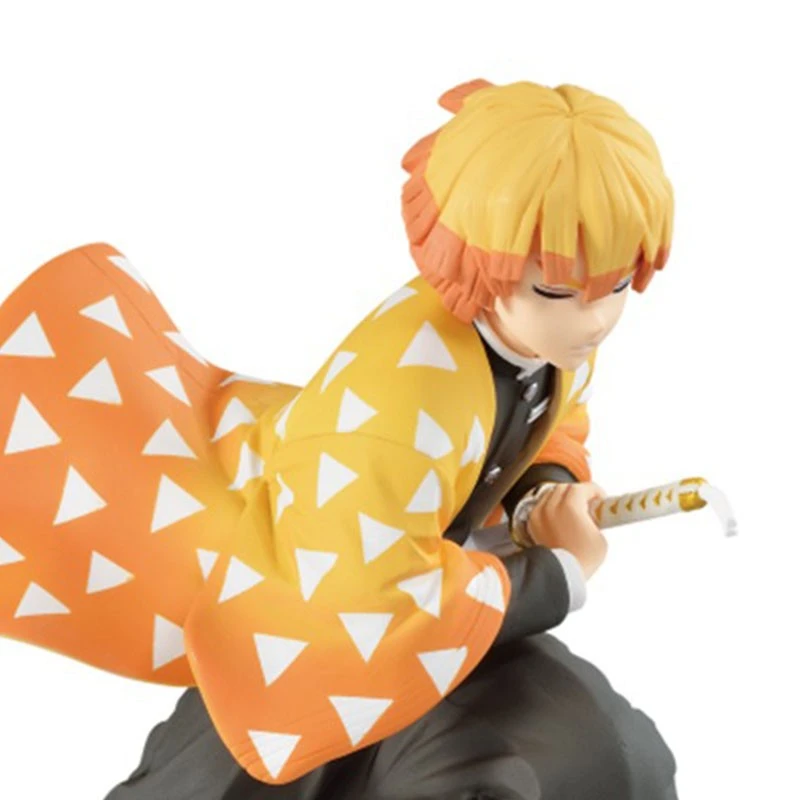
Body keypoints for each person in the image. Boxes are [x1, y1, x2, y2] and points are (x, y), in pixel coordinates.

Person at [0, 79, 678, 798]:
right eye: (557, 291)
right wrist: (555, 574)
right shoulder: (406, 400)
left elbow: (550, 422)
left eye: (616, 287)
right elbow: (361, 600)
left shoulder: (547, 337)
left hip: (407, 593)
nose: (595, 321)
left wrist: (545, 491)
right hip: (281, 591)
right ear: (473, 263)